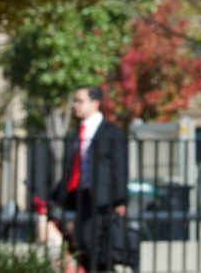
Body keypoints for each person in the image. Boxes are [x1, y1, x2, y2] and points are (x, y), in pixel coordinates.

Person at [49, 86, 129, 272]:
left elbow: (119, 167)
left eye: (79, 101)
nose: (75, 105)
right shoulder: (78, 132)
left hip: (103, 199)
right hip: (82, 197)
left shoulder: (110, 131)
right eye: (74, 101)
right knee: (83, 242)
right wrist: (54, 198)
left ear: (95, 103)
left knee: (95, 244)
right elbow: (72, 170)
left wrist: (120, 199)